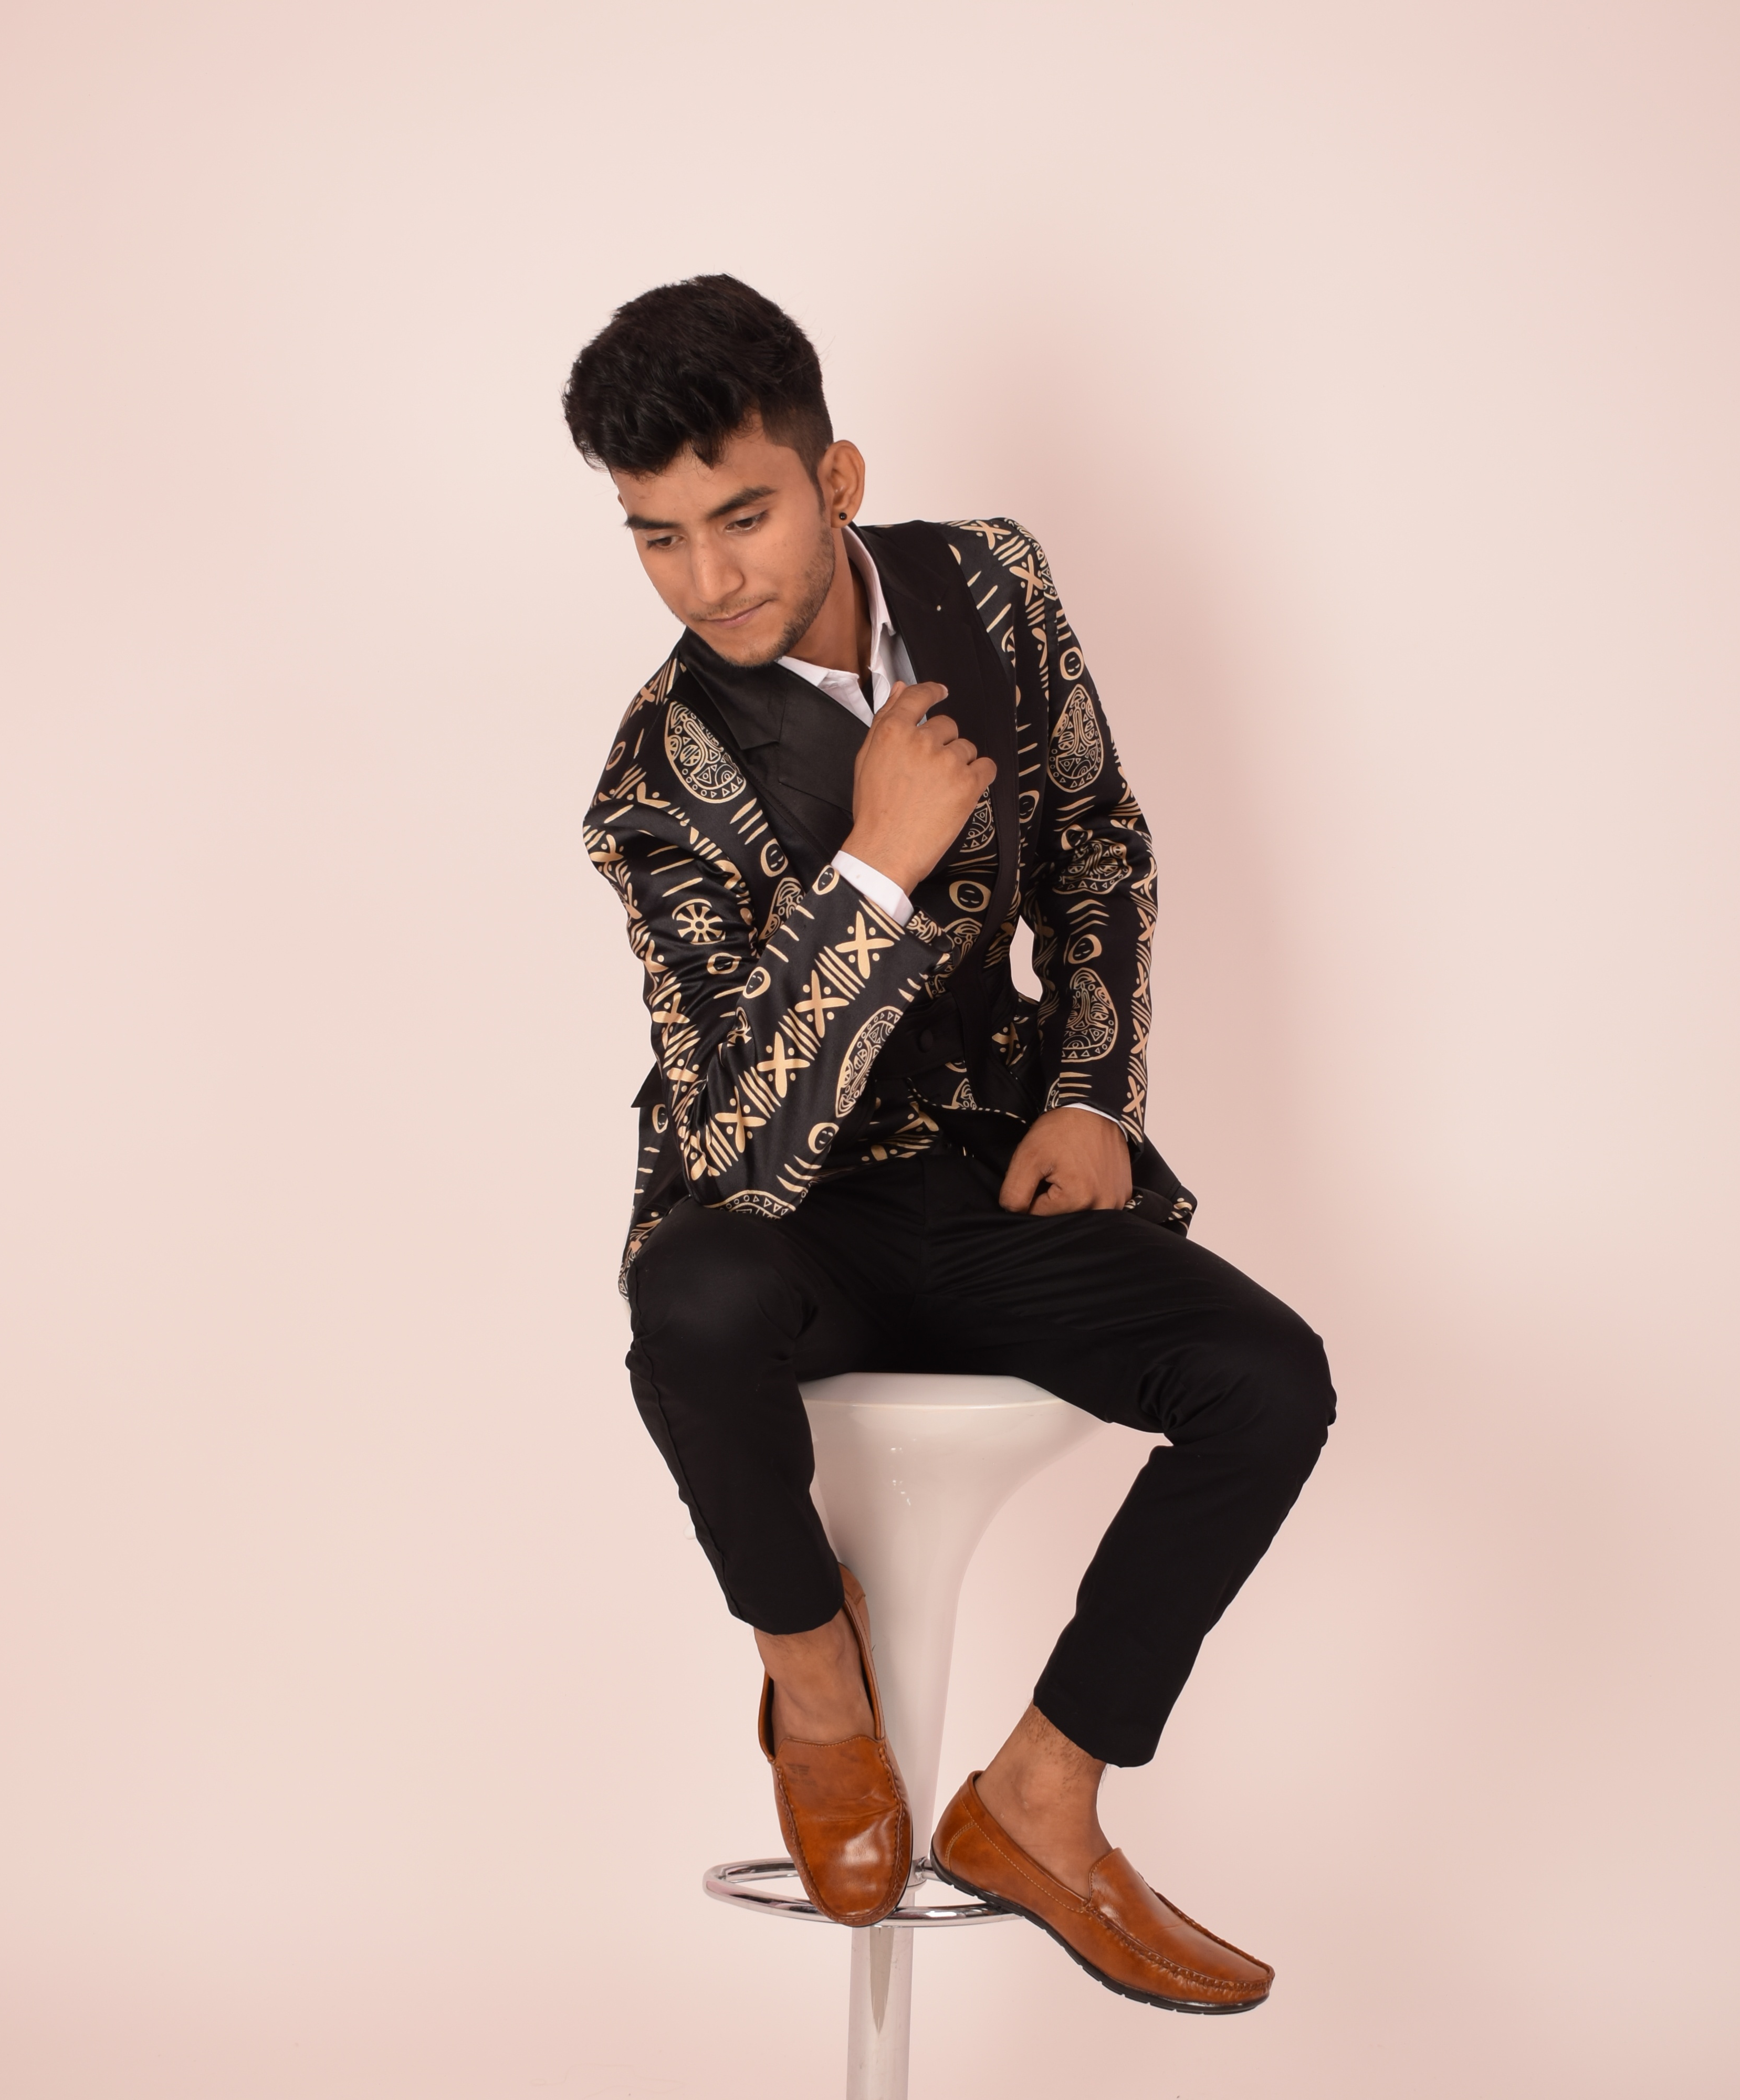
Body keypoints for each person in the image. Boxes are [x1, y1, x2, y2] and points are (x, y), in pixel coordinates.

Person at [567, 275, 1334, 2014]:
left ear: (835, 479)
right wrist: (877, 867)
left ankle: (1042, 1800)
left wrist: (1095, 1094)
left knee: (1269, 1382)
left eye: (743, 517)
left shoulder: (992, 583)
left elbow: (1100, 844)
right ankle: (813, 1681)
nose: (708, 580)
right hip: (793, 1234)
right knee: (688, 1296)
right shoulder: (654, 781)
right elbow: (739, 1149)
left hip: (994, 1178)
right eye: (657, 539)